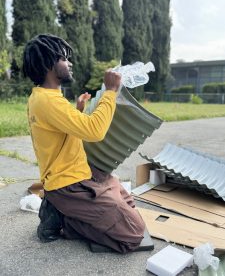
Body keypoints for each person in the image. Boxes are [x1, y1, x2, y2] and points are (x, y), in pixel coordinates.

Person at [23, 34, 145, 253]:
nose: (69, 63)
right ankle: (64, 221)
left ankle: (71, 209)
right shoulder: (48, 101)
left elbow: (60, 131)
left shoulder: (42, 97)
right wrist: (110, 92)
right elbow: (94, 131)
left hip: (80, 174)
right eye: (63, 58)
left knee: (124, 195)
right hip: (68, 186)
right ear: (48, 63)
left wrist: (78, 109)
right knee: (134, 233)